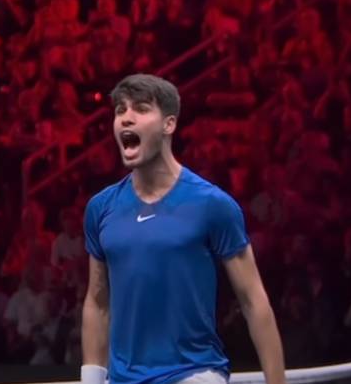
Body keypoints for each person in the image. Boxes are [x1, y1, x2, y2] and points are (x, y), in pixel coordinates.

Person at [81, 74, 286, 384]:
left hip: (193, 374)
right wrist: (91, 381)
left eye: (141, 109)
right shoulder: (101, 208)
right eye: (120, 110)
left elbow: (253, 301)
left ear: (169, 124)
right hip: (123, 379)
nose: (126, 118)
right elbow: (97, 302)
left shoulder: (212, 204)